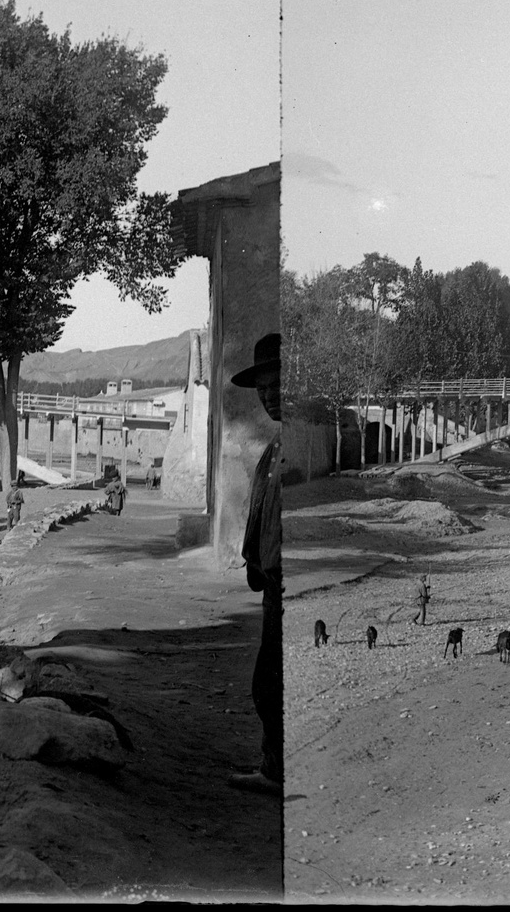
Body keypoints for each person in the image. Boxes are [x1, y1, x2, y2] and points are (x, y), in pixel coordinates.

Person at [228, 333, 282, 797]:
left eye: (277, 385)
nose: (269, 396)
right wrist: (252, 559)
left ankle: (280, 772)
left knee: (274, 682)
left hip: (290, 585)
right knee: (268, 681)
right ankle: (275, 766)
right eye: (263, 390)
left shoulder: (301, 446)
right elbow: (259, 511)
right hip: (272, 582)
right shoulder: (275, 448)